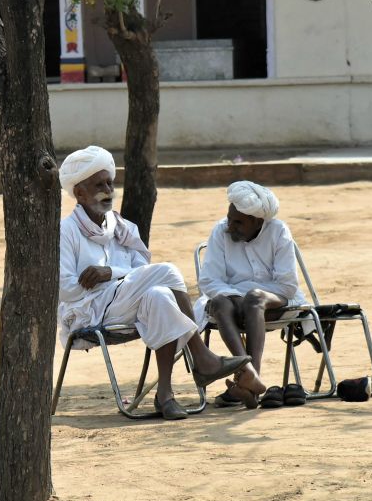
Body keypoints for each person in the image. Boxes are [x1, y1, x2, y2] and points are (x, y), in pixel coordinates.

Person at [58, 146, 251, 420]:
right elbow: (66, 289)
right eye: (98, 184)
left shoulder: (120, 227)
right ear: (79, 193)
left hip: (123, 301)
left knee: (160, 295)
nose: (108, 190)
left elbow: (139, 271)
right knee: (168, 271)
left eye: (110, 183)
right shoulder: (66, 232)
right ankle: (202, 356)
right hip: (87, 310)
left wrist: (108, 272)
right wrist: (111, 278)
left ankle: (165, 394)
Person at [195, 181, 307, 409]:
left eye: (238, 222)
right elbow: (209, 280)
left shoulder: (278, 231)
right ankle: (250, 375)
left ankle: (249, 375)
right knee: (219, 302)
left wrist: (249, 297)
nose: (230, 226)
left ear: (258, 222)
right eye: (229, 218)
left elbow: (287, 285)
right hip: (230, 301)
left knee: (254, 298)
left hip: (275, 301)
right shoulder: (220, 231)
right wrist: (235, 297)